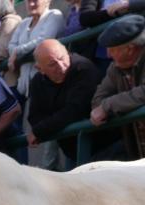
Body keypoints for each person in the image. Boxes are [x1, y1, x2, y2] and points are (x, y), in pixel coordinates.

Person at [28, 40, 117, 163]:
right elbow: (34, 117)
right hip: (73, 152)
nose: (61, 65)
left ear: (67, 52)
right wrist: (42, 127)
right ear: (40, 69)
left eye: (62, 58)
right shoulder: (37, 83)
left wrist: (40, 130)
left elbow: (74, 111)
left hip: (106, 147)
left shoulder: (83, 68)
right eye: (52, 64)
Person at [91, 14, 145, 159]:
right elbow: (98, 100)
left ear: (130, 49)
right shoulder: (115, 68)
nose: (108, 54)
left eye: (112, 49)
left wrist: (108, 106)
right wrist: (104, 107)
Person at [6, 0, 64, 98]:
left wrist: (17, 51)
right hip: (22, 87)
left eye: (35, 1)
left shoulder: (54, 15)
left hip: (45, 82)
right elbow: (11, 46)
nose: (31, 4)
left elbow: (42, 41)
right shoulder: (23, 23)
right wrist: (15, 51)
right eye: (28, 1)